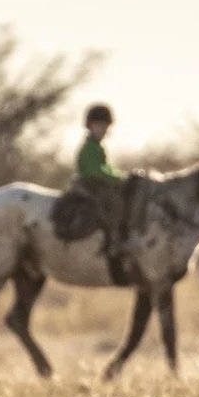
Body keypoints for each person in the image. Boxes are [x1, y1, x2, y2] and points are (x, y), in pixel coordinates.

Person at [69, 103, 137, 277]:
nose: (103, 129)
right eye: (99, 125)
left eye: (105, 126)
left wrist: (121, 176)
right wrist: (116, 179)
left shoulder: (98, 146)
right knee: (114, 204)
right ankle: (114, 242)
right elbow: (94, 171)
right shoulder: (89, 147)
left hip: (97, 182)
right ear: (90, 125)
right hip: (90, 184)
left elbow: (106, 167)